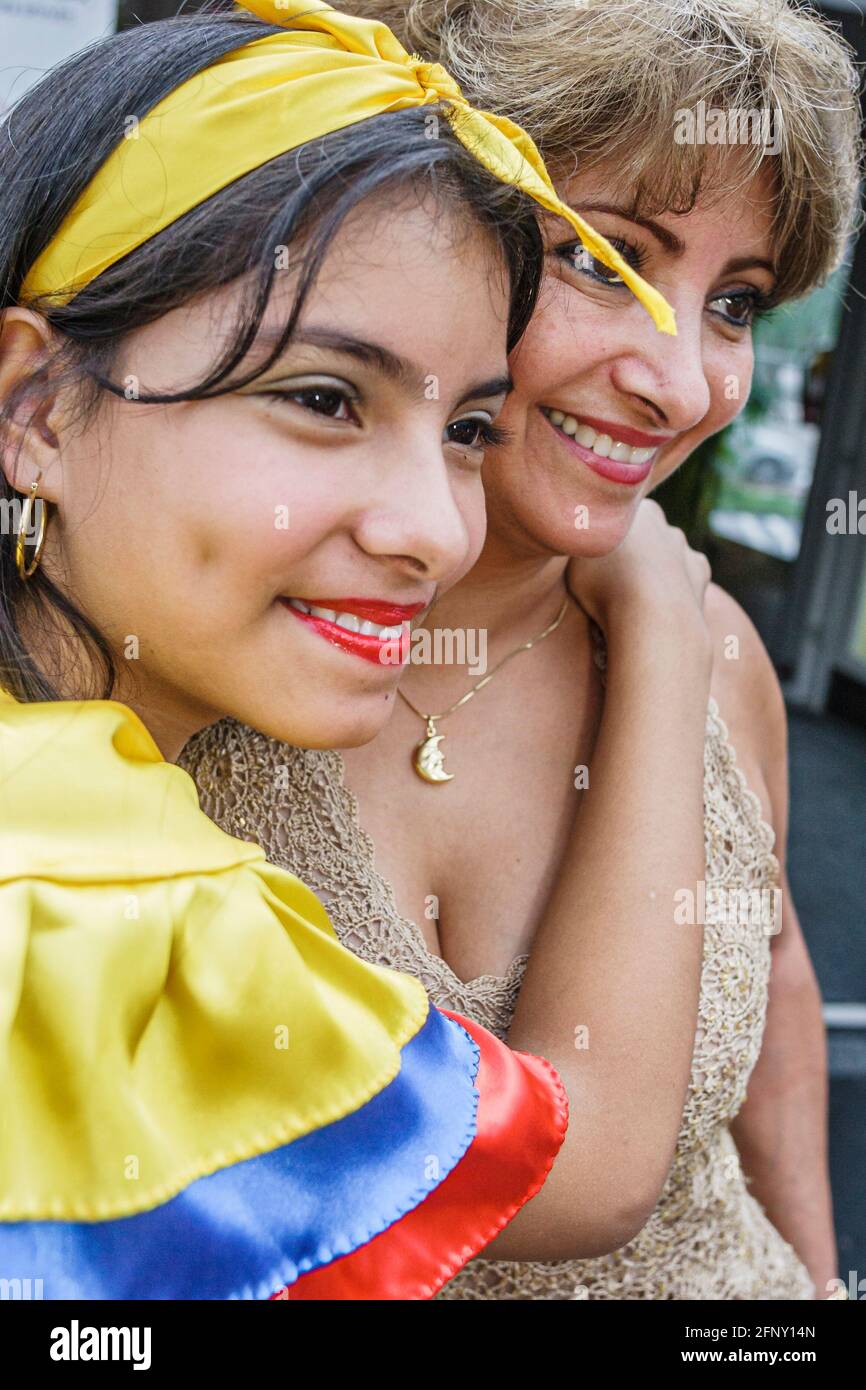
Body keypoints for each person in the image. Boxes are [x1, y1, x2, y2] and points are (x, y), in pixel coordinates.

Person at [0, 0, 678, 1300]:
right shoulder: (95, 908)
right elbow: (582, 1169)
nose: (432, 528)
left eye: (469, 428)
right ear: (33, 407)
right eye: (321, 398)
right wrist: (663, 642)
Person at [183, 0, 862, 1297]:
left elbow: (771, 976)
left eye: (732, 302)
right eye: (607, 260)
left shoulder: (720, 649)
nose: (679, 383)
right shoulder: (177, 642)